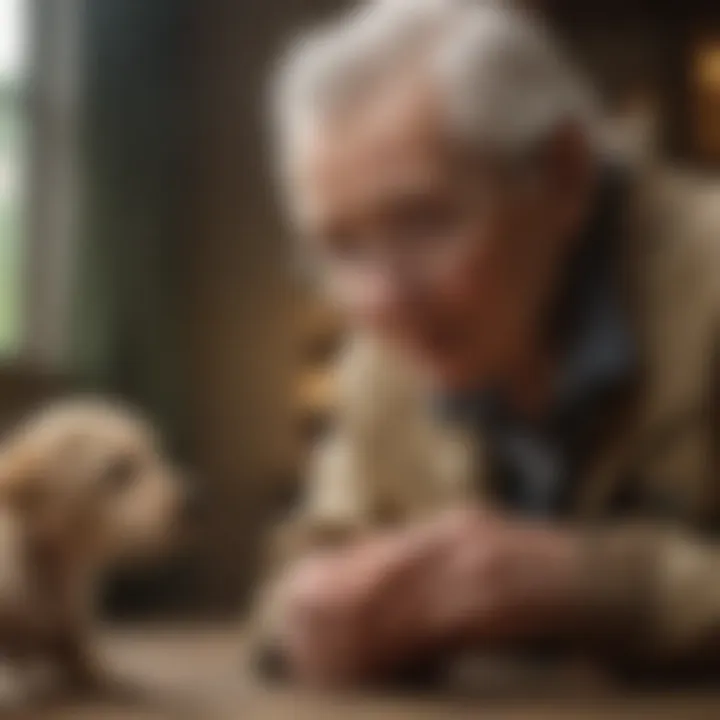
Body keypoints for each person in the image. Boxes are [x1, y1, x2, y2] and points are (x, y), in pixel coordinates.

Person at [256, 0, 720, 687]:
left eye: (423, 222)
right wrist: (311, 615)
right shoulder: (382, 358)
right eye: (340, 246)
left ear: (563, 174)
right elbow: (296, 577)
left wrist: (595, 585)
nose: (381, 303)